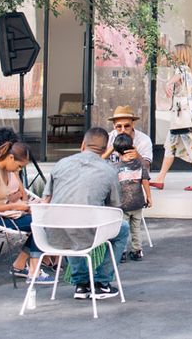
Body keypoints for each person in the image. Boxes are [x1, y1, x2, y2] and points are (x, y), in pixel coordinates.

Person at [44, 127, 128, 300]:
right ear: (106, 149)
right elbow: (115, 209)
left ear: (83, 144)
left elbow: (46, 199)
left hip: (54, 233)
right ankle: (101, 283)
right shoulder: (109, 171)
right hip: (88, 233)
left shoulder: (60, 164)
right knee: (123, 229)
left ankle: (81, 285)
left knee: (69, 223)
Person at [0, 140, 50, 282]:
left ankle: (20, 265)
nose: (19, 170)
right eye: (19, 166)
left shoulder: (5, 170)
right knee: (40, 223)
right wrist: (14, 207)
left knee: (41, 220)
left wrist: (21, 204)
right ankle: (33, 271)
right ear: (11, 158)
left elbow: (0, 199)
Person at [150, 45, 192, 192]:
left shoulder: (182, 69)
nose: (171, 56)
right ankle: (160, 178)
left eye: (173, 53)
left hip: (183, 116)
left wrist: (168, 83)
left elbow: (175, 79)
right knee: (170, 146)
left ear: (180, 55)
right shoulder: (188, 71)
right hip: (182, 116)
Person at [108, 133, 151, 262]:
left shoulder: (115, 167)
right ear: (132, 147)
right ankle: (137, 251)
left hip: (123, 204)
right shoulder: (140, 164)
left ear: (116, 151)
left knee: (123, 228)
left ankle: (122, 252)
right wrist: (149, 197)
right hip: (138, 203)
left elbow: (113, 186)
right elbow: (145, 181)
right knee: (136, 228)